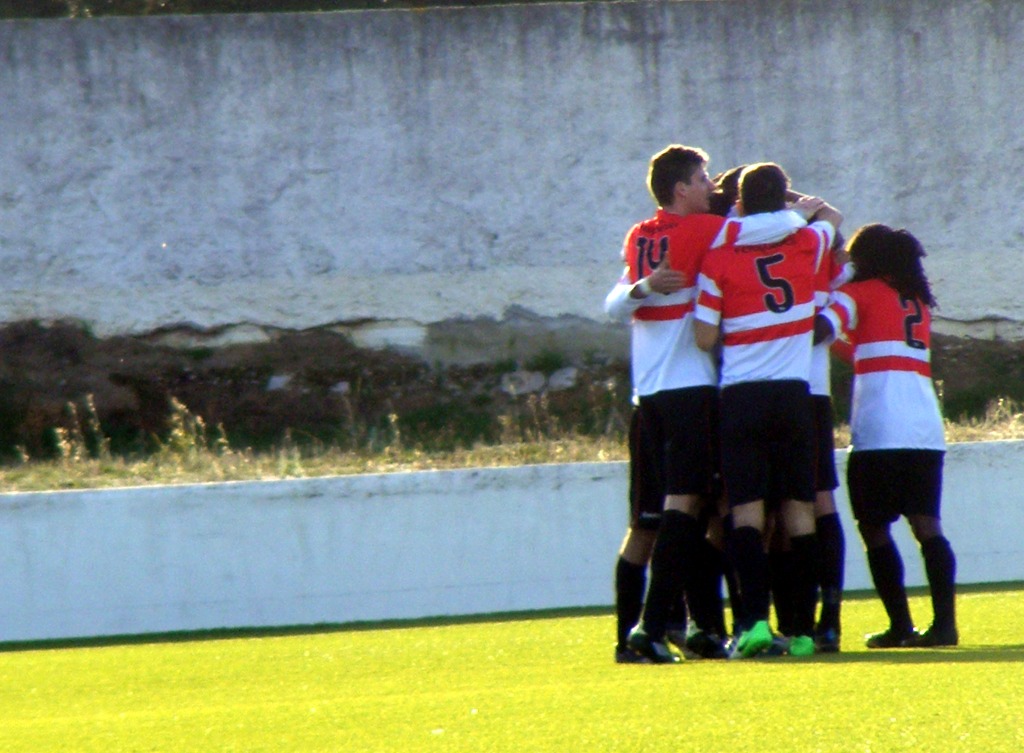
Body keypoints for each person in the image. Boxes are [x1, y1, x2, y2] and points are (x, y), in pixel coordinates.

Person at [605, 146, 810, 663]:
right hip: (691, 390)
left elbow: (613, 304)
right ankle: (656, 627)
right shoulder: (706, 231)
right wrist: (794, 207)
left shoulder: (640, 235)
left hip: (647, 394)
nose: (711, 187)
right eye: (701, 179)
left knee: (669, 515)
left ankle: (682, 629)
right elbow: (761, 232)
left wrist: (643, 287)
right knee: (694, 507)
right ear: (680, 190)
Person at [693, 162, 843, 659]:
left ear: (738, 203)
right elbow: (832, 214)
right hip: (794, 396)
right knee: (800, 509)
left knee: (747, 512)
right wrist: (797, 207)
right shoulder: (808, 242)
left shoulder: (719, 256)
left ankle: (754, 622)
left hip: (741, 396)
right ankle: (802, 631)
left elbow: (704, 337)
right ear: (782, 200)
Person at [815, 223, 958, 648]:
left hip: (880, 429)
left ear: (868, 259)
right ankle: (945, 625)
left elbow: (823, 328)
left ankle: (900, 625)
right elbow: (869, 349)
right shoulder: (916, 299)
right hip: (924, 428)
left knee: (874, 527)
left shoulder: (859, 293)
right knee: (927, 525)